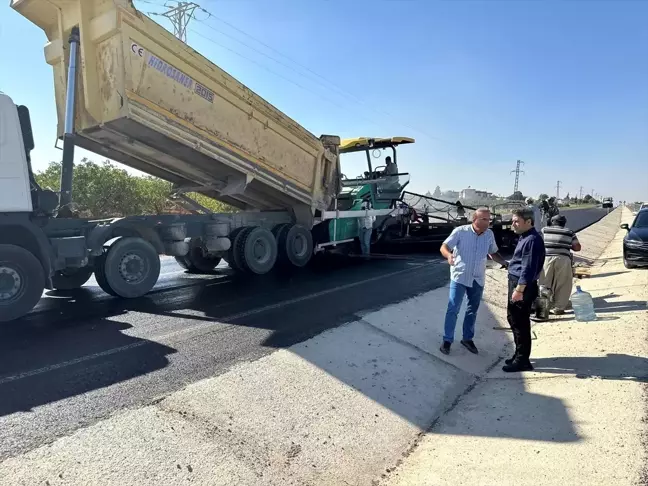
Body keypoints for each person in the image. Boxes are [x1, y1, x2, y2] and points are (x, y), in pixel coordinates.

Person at [439, 207, 509, 355]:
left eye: (489, 219)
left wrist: (503, 262)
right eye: (484, 219)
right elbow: (444, 247)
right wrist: (449, 256)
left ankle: (467, 339)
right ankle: (447, 340)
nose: (488, 221)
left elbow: (492, 252)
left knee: (472, 310)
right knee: (453, 309)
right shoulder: (460, 231)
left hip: (478, 278)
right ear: (474, 219)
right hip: (460, 276)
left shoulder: (489, 234)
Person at [504, 207, 546, 372]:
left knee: (520, 322)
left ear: (528, 222)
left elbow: (528, 269)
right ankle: (519, 355)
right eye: (512, 220)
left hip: (522, 286)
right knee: (513, 319)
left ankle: (522, 360)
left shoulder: (532, 240)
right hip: (517, 283)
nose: (512, 224)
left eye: (516, 221)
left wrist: (519, 290)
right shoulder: (525, 237)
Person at [541, 214, 581, 314]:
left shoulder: (544, 230)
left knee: (544, 283)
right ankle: (559, 307)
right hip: (563, 259)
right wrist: (566, 244)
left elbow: (538, 242)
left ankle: (543, 307)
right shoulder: (569, 232)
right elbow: (577, 247)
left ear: (552, 222)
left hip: (546, 258)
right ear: (564, 223)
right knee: (563, 284)